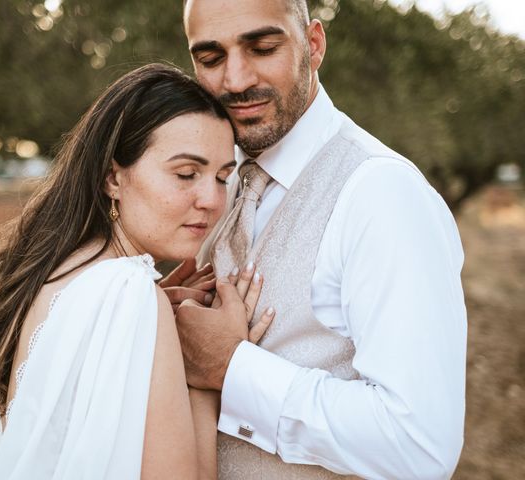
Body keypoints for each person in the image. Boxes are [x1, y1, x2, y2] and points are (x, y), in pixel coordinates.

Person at [175, 1, 467, 479]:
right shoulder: (215, 183)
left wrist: (231, 368)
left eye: (263, 48)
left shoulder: (382, 194)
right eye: (209, 58)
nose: (235, 79)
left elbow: (419, 447)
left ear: (313, 45)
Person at [0, 63, 274, 479]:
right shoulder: (128, 291)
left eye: (223, 178)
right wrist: (208, 377)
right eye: (186, 174)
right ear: (112, 177)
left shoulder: (58, 272)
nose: (211, 199)